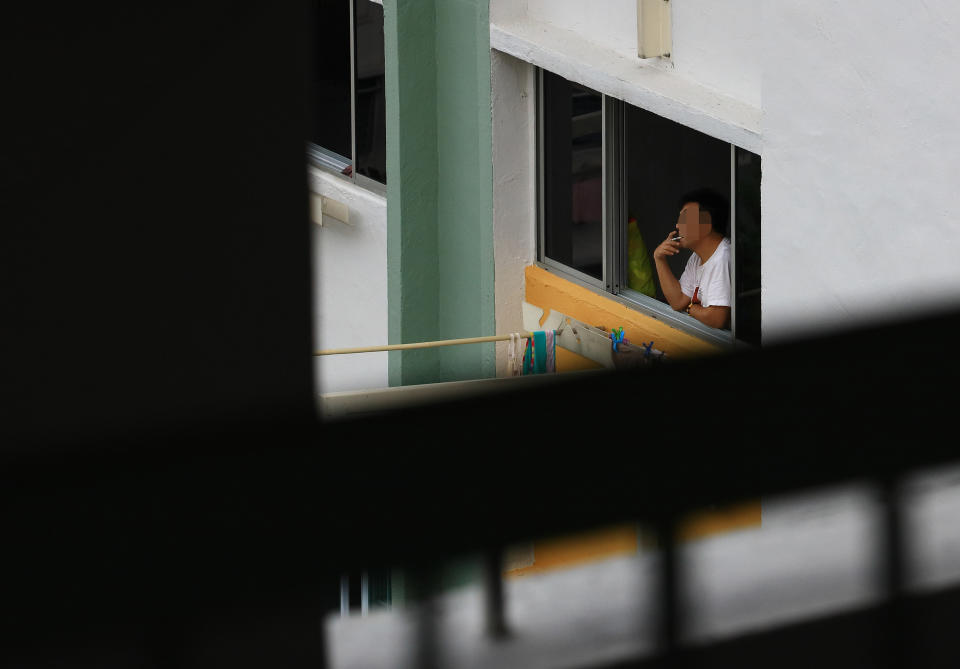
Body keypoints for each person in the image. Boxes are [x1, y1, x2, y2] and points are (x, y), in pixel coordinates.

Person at [653, 188, 731, 329]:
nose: (677, 225)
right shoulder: (697, 257)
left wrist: (690, 307)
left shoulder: (723, 257)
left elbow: (716, 319)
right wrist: (659, 259)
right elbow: (678, 301)